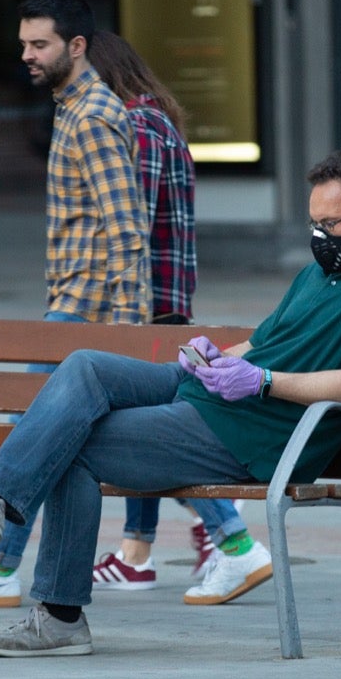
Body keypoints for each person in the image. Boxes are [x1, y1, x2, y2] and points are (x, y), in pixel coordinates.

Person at [0, 150, 341, 657]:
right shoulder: (320, 273)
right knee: (85, 365)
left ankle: (57, 614)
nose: (318, 236)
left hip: (256, 434)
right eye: (314, 223)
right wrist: (216, 357)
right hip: (214, 396)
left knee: (73, 446)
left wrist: (261, 382)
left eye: (329, 225)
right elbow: (264, 341)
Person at [0, 0, 269, 611]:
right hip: (87, 305)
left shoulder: (104, 117)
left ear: (79, 49)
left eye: (39, 44)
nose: (26, 55)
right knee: (71, 430)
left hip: (91, 310)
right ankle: (223, 544)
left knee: (37, 423)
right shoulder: (85, 112)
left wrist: (126, 327)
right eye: (23, 44)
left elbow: (128, 228)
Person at [81, 29, 259, 592]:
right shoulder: (157, 119)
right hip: (165, 301)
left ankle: (230, 533)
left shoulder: (135, 125)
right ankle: (137, 552)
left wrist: (111, 303)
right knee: (144, 425)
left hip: (145, 305)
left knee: (148, 431)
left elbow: (130, 224)